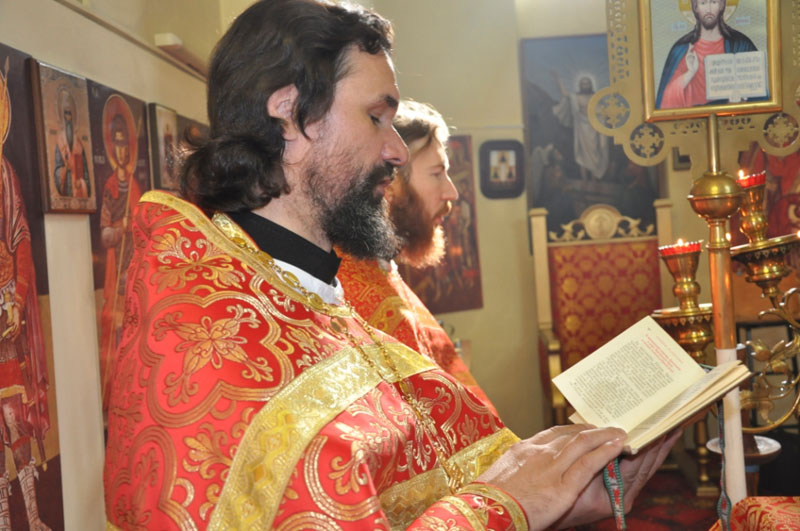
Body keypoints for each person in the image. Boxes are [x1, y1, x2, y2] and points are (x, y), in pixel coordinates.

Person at [103, 1, 678, 529]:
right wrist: (509, 505)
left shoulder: (306, 296)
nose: (397, 151)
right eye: (377, 117)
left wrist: (564, 494)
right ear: (290, 116)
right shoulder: (215, 349)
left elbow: (418, 490)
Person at [337, 99, 495, 413]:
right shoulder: (349, 285)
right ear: (389, 183)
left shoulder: (379, 267)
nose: (451, 193)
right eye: (437, 174)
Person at [0, 61, 51, 531]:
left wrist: (15, 297)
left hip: (3, 310)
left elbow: (19, 237)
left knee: (13, 415)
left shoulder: (4, 173)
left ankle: (32, 516)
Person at [97, 96, 142, 409]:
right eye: (118, 145)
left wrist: (133, 226)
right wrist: (120, 228)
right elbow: (104, 234)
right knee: (116, 327)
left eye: (126, 145)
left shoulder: (135, 186)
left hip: (134, 267)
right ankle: (116, 393)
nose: (122, 151)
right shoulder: (111, 186)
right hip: (117, 267)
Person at [656, 0, 757, 109]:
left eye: (713, 2)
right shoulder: (682, 50)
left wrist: (742, 99)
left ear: (721, 5)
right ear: (695, 7)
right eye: (703, 3)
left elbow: (759, 92)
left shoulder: (741, 45)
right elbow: (665, 103)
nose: (708, 9)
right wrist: (690, 73)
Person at [552, 72, 609, 180]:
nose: (585, 85)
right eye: (583, 83)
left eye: (587, 83)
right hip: (581, 127)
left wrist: (600, 117)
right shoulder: (577, 97)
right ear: (580, 85)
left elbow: (603, 111)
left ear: (590, 84)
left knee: (594, 153)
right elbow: (565, 94)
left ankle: (594, 179)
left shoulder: (595, 97)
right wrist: (557, 79)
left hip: (593, 126)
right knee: (582, 154)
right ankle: (584, 179)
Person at [53, 88, 90, 198]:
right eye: (65, 113)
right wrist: (65, 169)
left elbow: (86, 172)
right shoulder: (60, 142)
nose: (68, 117)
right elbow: (57, 170)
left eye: (70, 113)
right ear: (62, 115)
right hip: (67, 189)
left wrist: (82, 182)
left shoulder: (78, 143)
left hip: (78, 191)